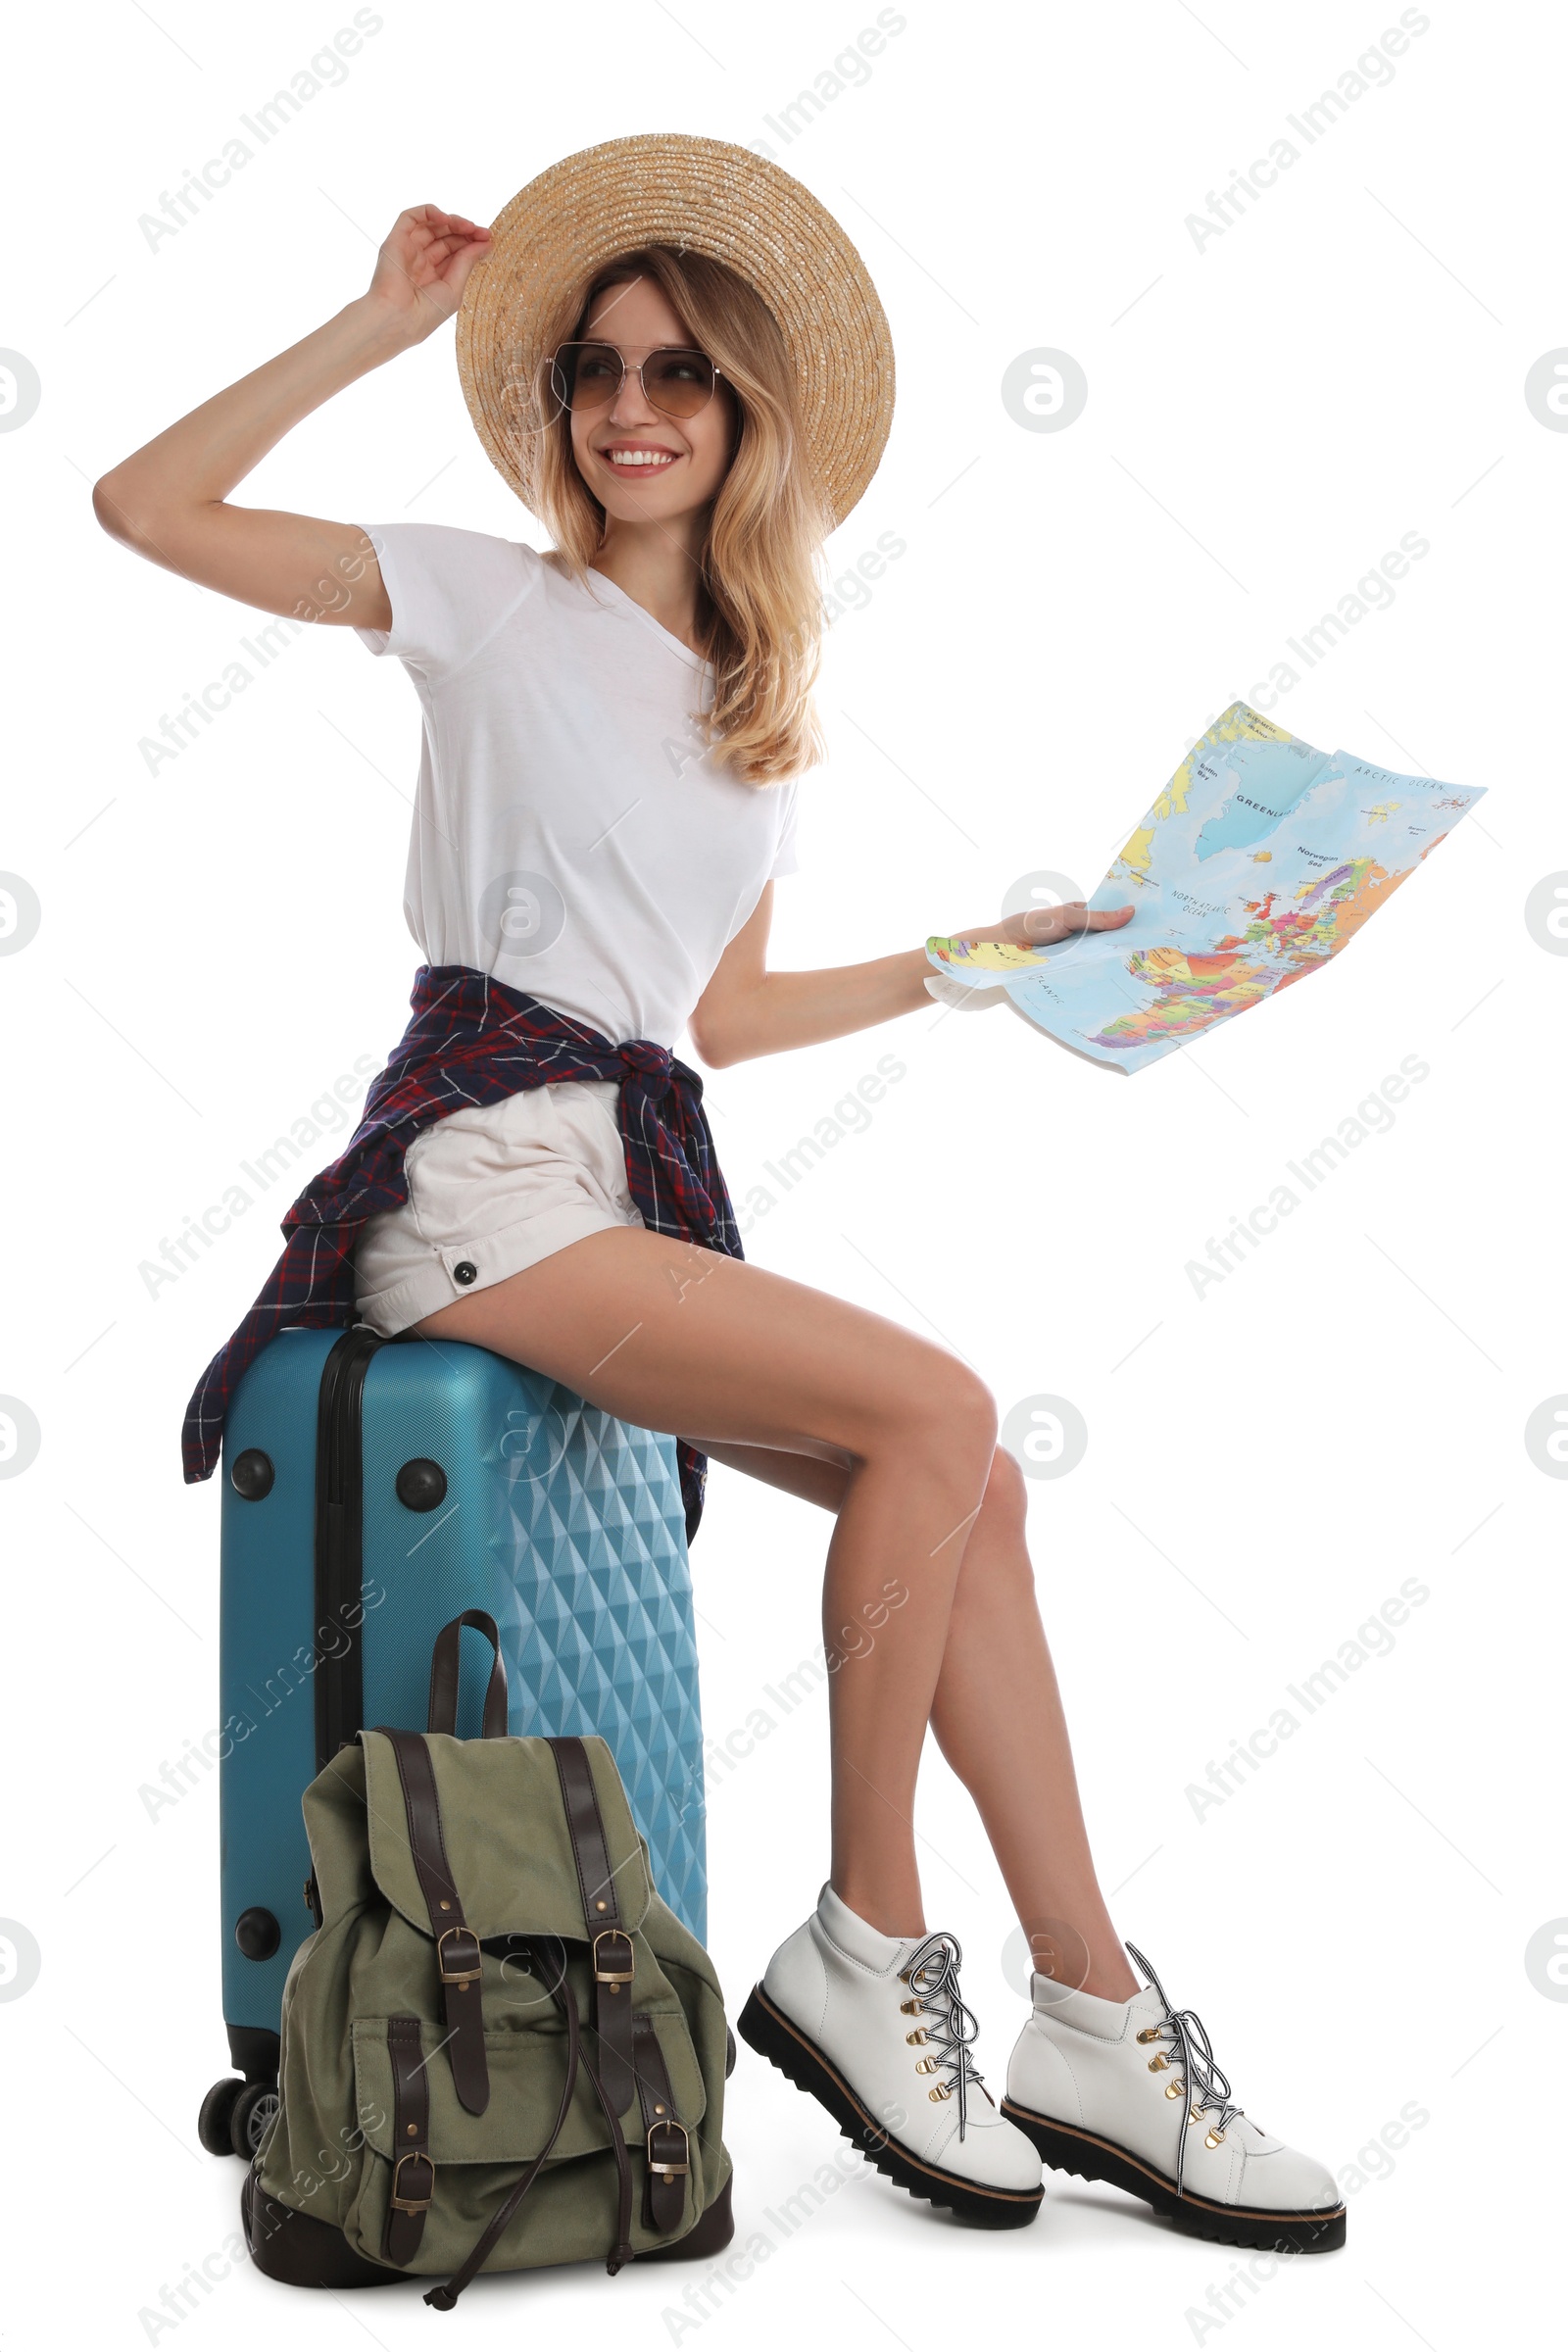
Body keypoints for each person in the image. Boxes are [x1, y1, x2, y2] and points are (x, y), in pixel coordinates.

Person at [93, 135, 1343, 2251]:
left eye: (675, 371)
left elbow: (719, 1016)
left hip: (616, 1185)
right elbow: (145, 509)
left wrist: (976, 966)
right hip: (484, 1184)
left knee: (971, 1484)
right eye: (591, 368)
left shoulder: (743, 716)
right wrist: (376, 329)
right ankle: (867, 1952)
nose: (626, 406)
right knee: (933, 1412)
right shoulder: (493, 603)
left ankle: (1092, 2017)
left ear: (750, 414)